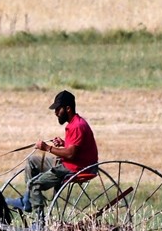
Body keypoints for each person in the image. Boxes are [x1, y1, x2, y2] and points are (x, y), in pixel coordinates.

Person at [6, 90, 99, 218]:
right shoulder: (75, 123)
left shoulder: (77, 126)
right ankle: (27, 201)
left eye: (58, 109)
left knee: (34, 184)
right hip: (72, 162)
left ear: (68, 109)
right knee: (32, 161)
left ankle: (39, 221)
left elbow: (71, 154)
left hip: (75, 168)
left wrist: (47, 148)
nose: (56, 113)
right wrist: (63, 143)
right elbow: (75, 147)